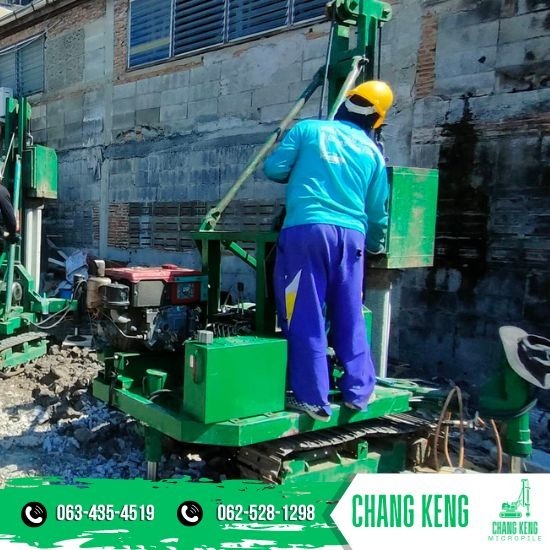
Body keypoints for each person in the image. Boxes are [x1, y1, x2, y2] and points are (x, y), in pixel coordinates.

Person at [263, 80, 393, 422]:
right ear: (377, 120)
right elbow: (378, 212)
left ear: (345, 103)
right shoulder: (373, 153)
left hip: (307, 232)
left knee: (302, 311)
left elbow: (274, 169)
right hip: (353, 238)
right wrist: (375, 245)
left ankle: (312, 398)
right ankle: (359, 392)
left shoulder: (308, 130)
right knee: (349, 311)